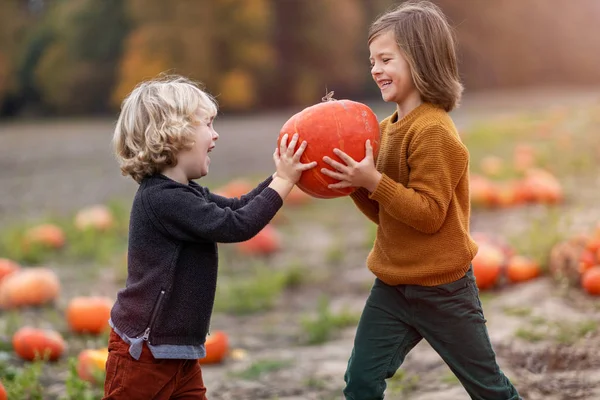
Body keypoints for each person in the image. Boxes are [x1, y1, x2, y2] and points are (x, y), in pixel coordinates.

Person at [321, 2, 521, 399]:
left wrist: (373, 180)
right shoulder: (385, 130)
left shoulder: (433, 132)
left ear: (420, 60)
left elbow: (428, 215)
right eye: (372, 60)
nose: (375, 69)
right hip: (393, 286)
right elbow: (387, 214)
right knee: (360, 382)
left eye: (385, 59)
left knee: (488, 389)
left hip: (444, 290)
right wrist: (355, 183)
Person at [103, 74, 316, 399]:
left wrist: (281, 176)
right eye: (207, 124)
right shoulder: (162, 200)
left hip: (180, 354)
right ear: (174, 134)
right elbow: (237, 226)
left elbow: (236, 207)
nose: (215, 135)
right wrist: (283, 183)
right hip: (144, 355)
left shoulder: (184, 192)